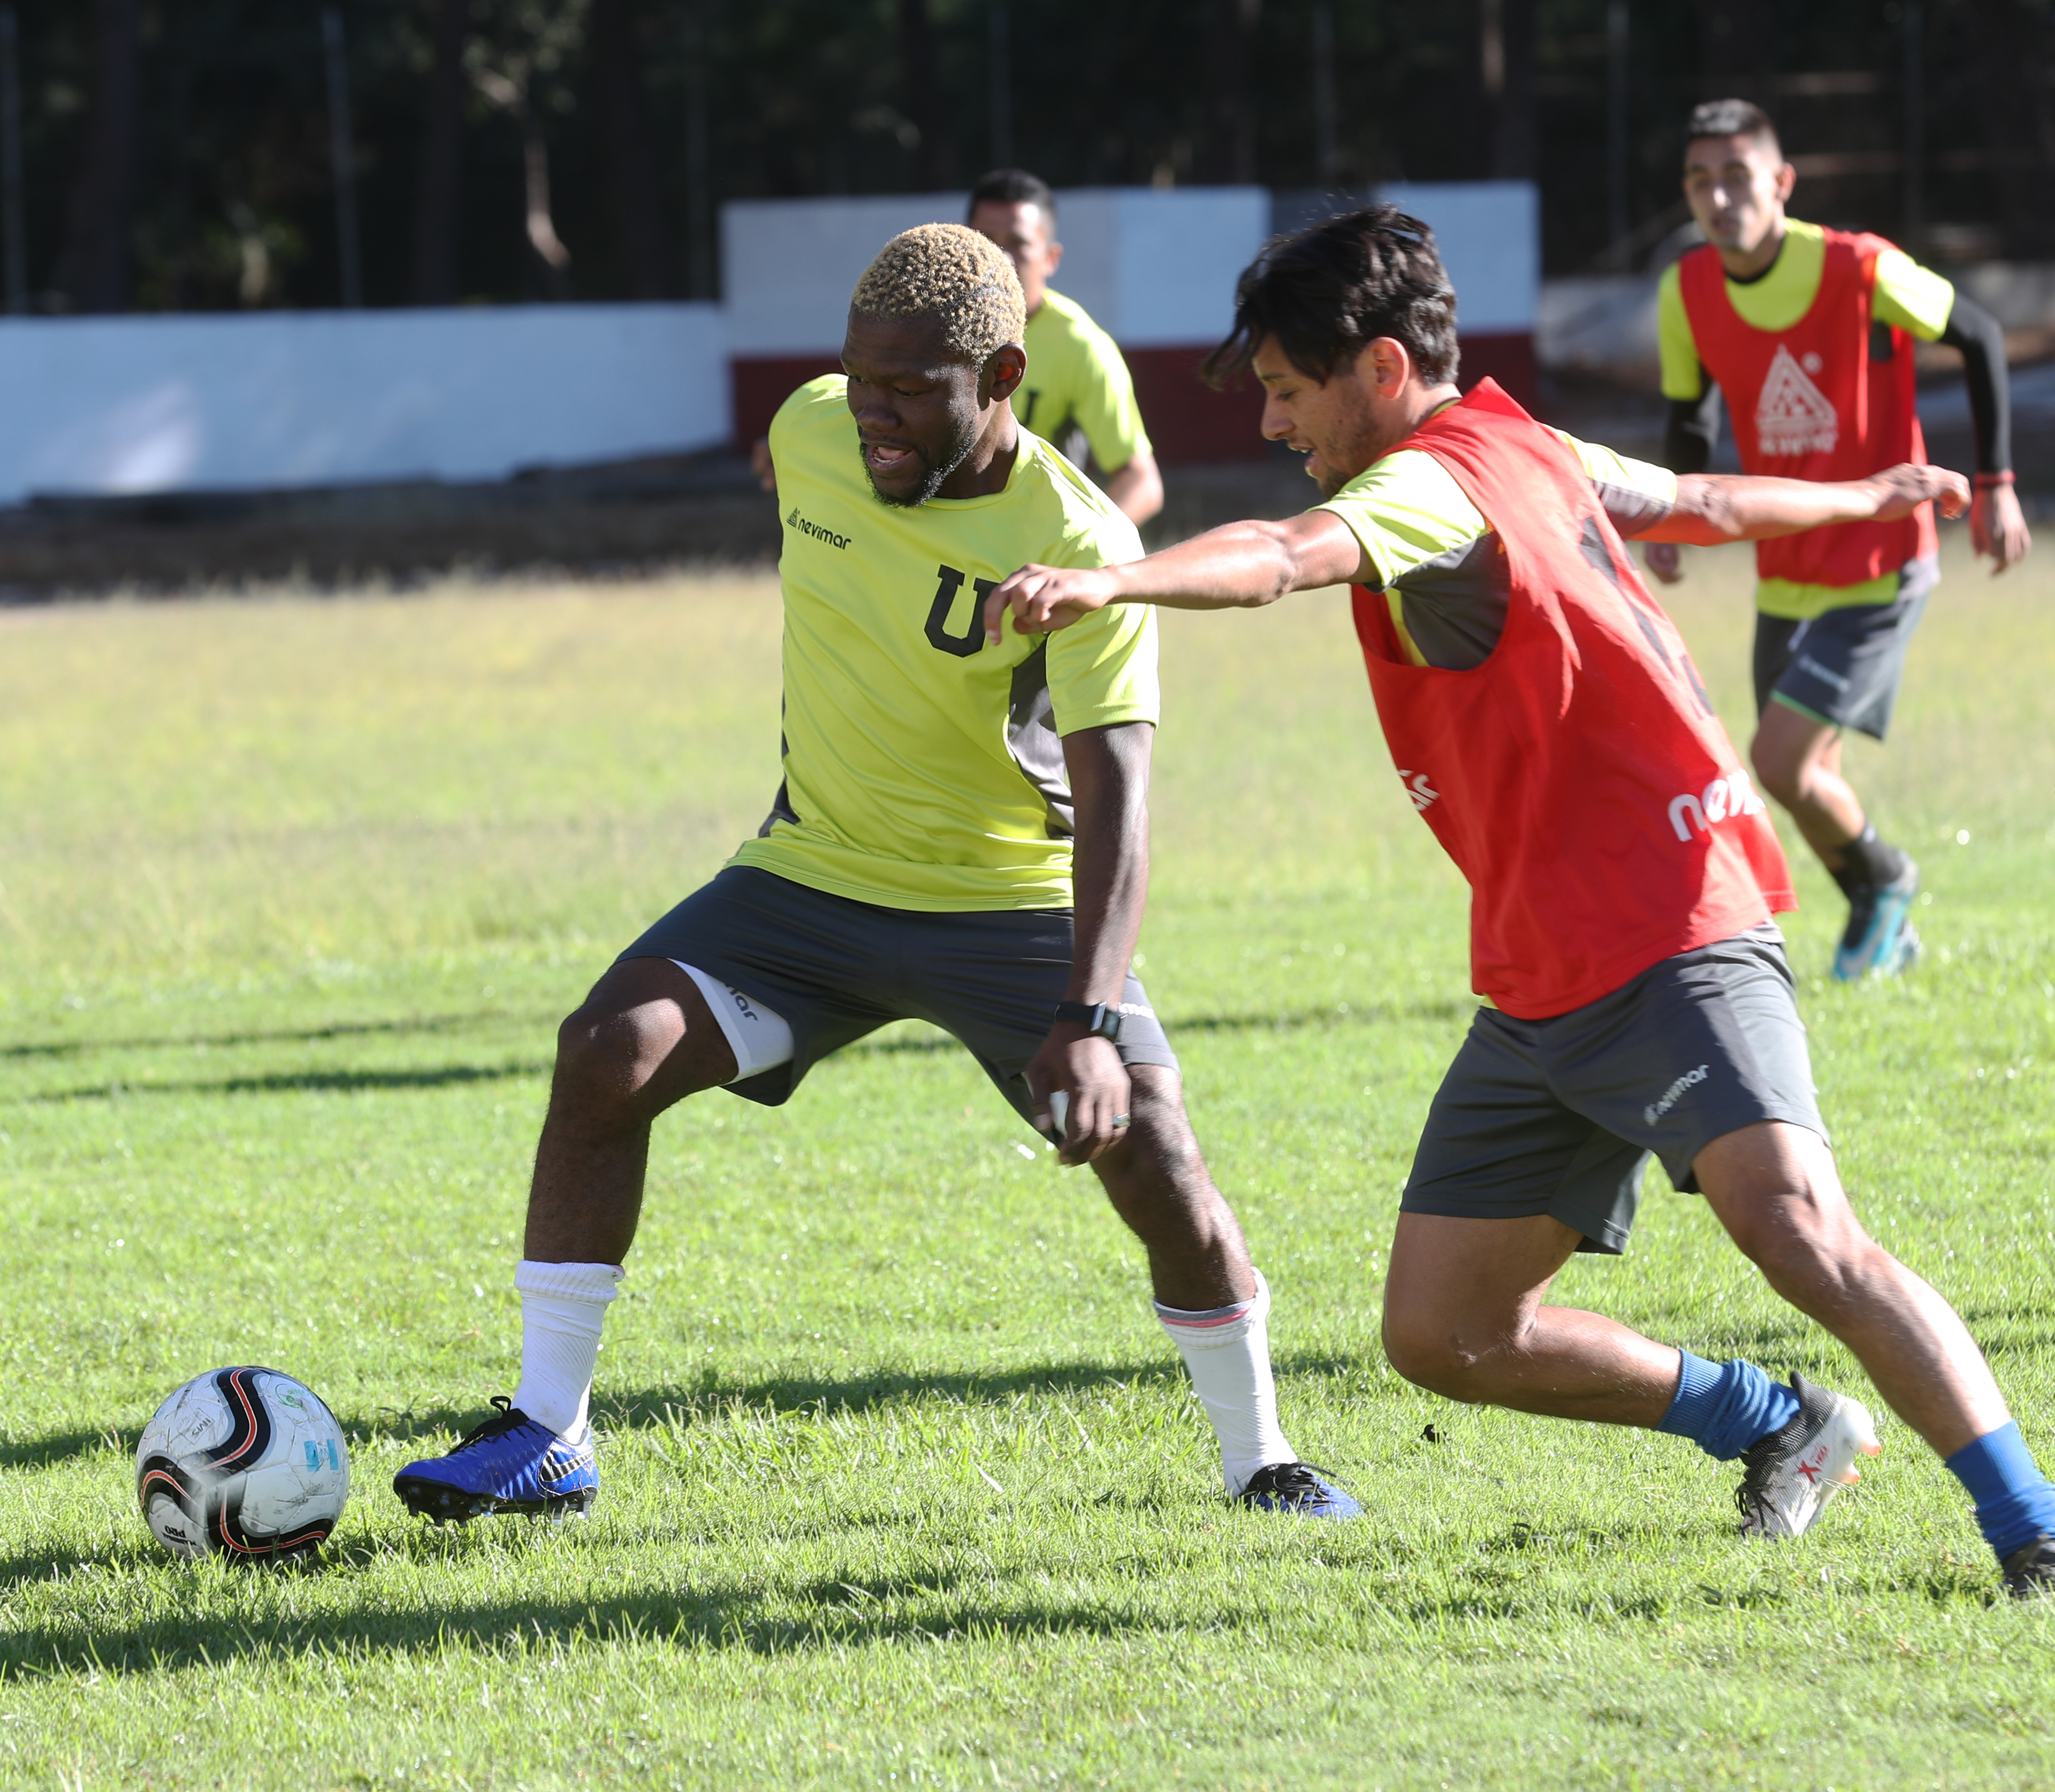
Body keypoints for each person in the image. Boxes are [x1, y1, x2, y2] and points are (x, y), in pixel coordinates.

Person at [981, 207, 2055, 1599]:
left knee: (1800, 1228)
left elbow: (1287, 555)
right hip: (1547, 972)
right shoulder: (1530, 445)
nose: (1270, 421)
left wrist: (1115, 578)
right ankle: (1775, 1422)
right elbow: (1701, 501)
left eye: (1288, 390)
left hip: (1674, 930)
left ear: (1381, 369)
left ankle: (2033, 1523)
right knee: (1446, 1331)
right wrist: (1864, 496)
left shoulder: (1425, 489)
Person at [394, 225, 1357, 1525]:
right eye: (860, 381)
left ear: (1003, 375)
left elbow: (1119, 807)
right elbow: (823, 486)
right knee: (604, 1053)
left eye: (909, 391)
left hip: (1005, 905)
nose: (872, 418)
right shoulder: (812, 430)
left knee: (1155, 1157)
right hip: (810, 881)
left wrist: (1086, 1017)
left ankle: (1264, 1460)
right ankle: (548, 1434)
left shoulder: (1073, 539)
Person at [1646, 98, 2031, 982]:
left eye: (1737, 176)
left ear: (1781, 182)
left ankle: (1886, 881)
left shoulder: (1859, 268)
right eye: (1701, 181)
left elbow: (1978, 335)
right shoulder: (1686, 291)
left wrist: (1998, 486)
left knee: (1778, 762)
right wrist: (1668, 522)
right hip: (1785, 570)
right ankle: (1885, 923)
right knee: (1807, 774)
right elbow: (1690, 417)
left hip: (1882, 563)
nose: (1719, 197)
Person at [968, 168, 1165, 527]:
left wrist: (1080, 549)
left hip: (1026, 540)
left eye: (1018, 243)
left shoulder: (1081, 346)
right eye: (986, 241)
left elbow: (1141, 482)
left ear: (1050, 258)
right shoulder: (929, 326)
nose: (1001, 258)